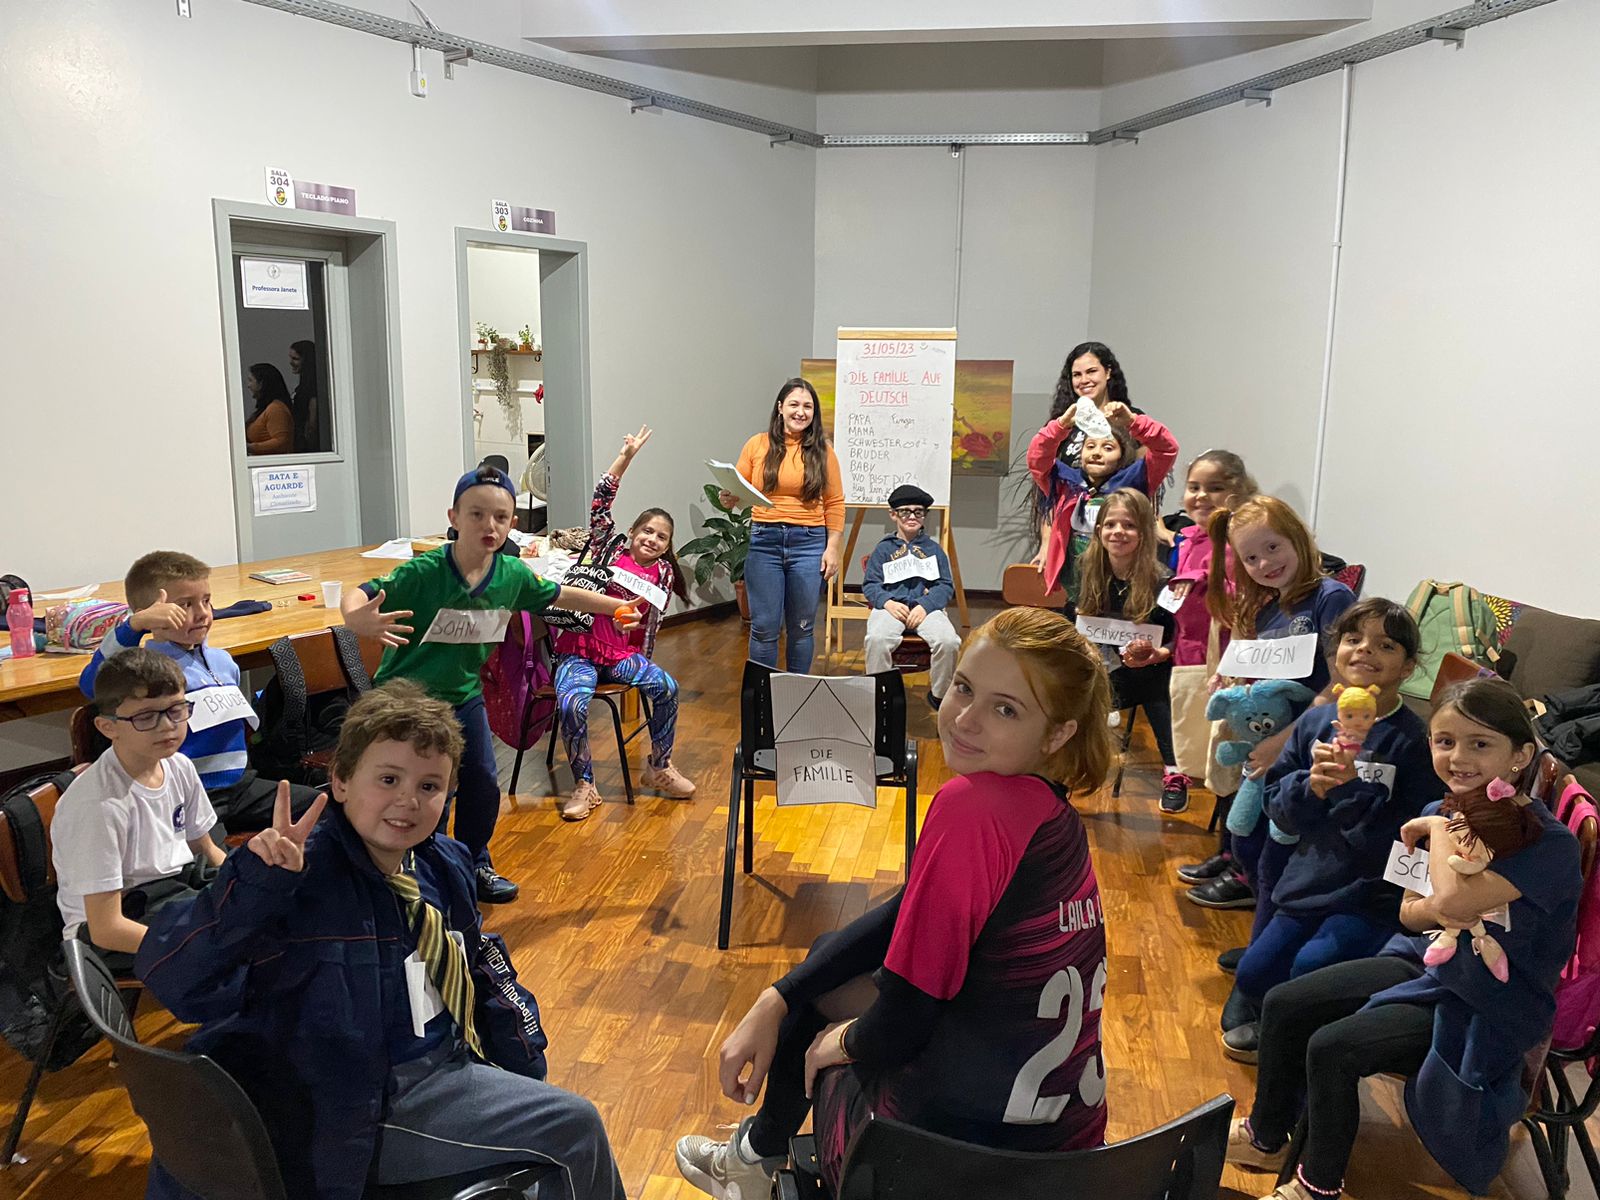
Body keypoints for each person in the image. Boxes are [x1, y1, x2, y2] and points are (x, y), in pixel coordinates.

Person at [675, 607, 1115, 1197]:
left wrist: (840, 1042)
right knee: (827, 960)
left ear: (1058, 733)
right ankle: (755, 1155)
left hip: (951, 1168)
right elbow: (904, 912)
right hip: (1065, 1156)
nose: (967, 718)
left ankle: (755, 1163)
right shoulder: (1053, 814)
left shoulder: (972, 807)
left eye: (1006, 709)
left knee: (824, 1027)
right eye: (964, 688)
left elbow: (905, 1018)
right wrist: (777, 995)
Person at [135, 681, 628, 1200]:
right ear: (341, 781)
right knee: (574, 1127)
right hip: (354, 1108)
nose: (407, 801)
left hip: (442, 1064)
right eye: (388, 779)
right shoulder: (295, 876)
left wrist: (526, 1062)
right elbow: (176, 981)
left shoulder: (442, 862)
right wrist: (255, 886)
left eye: (429, 786)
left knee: (553, 1135)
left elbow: (481, 971)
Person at [1226, 677, 1581, 1200]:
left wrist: (1438, 837)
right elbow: (1410, 914)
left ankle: (1316, 1186)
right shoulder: (1442, 810)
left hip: (1491, 999)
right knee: (1283, 1002)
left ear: (1520, 755)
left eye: (1480, 744)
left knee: (1332, 1047)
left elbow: (1451, 902)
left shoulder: (1546, 842)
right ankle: (1267, 1136)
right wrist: (1443, 879)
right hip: (1430, 963)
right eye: (1445, 741)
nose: (1458, 757)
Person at [342, 464, 641, 903]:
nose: (489, 525)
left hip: (464, 697)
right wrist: (355, 617)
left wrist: (614, 607)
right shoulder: (425, 571)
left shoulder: (511, 575)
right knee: (431, 787)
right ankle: (422, 869)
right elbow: (362, 592)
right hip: (407, 701)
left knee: (482, 781)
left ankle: (473, 863)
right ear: (454, 517)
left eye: (500, 517)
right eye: (477, 515)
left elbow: (558, 594)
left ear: (511, 524)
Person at [1223, 599, 1433, 1061]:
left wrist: (1354, 789)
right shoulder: (1316, 723)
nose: (1365, 650)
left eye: (1386, 645)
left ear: (1408, 667)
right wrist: (1311, 786)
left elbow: (1416, 835)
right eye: (1353, 639)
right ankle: (1281, 1024)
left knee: (1310, 967)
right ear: (1336, 653)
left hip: (1370, 895)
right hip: (1310, 880)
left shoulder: (1415, 741)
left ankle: (1298, 1047)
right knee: (1255, 973)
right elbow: (1278, 807)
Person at [1186, 496, 1356, 914]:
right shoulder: (1268, 607)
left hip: (1308, 738)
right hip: (1271, 735)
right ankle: (1244, 873)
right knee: (1247, 827)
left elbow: (1341, 682)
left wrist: (1282, 743)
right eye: (1251, 558)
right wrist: (1229, 678)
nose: (1264, 563)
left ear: (1297, 537)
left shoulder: (1330, 597)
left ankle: (1262, 897)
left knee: (1271, 837)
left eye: (1273, 547)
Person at [79, 550, 319, 832]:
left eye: (206, 601)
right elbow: (92, 683)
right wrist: (134, 626)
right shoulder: (147, 670)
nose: (202, 613)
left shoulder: (223, 661)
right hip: (189, 793)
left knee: (321, 807)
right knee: (213, 856)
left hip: (240, 785)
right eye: (185, 605)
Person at [552, 425, 695, 821]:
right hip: (580, 650)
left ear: (667, 546)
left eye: (662, 537)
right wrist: (626, 456)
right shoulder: (608, 548)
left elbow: (646, 623)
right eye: (647, 530)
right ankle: (585, 785)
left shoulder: (663, 574)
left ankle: (659, 766)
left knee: (667, 687)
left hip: (619, 655)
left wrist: (632, 623)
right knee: (572, 703)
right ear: (631, 532)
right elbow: (601, 500)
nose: (652, 539)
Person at [52, 650, 225, 972]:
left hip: (169, 889)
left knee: (264, 909)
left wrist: (244, 888)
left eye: (176, 710)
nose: (167, 727)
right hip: (113, 929)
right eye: (146, 717)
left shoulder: (179, 766)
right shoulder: (98, 806)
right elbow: (106, 929)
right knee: (236, 953)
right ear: (108, 727)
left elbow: (206, 848)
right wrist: (189, 947)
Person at [1072, 489, 1183, 811]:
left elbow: (1178, 637)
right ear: (1099, 530)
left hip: (1150, 668)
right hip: (1102, 668)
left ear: (1144, 533)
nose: (1118, 532)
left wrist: (1158, 654)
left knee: (1157, 686)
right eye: (1110, 524)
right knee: (1065, 688)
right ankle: (1063, 766)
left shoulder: (1163, 580)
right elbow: (1074, 622)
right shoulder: (1086, 568)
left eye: (1129, 525)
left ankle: (1174, 771)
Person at [1165, 450, 1256, 839]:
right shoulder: (1189, 538)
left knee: (1226, 750)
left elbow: (1248, 596)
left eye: (1214, 488)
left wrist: (1206, 583)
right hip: (1190, 656)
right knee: (1198, 746)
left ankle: (1230, 847)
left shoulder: (1239, 540)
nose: (1201, 496)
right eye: (1194, 487)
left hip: (1227, 661)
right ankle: (1223, 845)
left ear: (1238, 491)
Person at [729, 377, 844, 673]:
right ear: (780, 407)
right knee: (764, 627)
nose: (800, 412)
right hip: (764, 542)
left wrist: (832, 547)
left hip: (809, 543)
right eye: (794, 404)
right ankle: (763, 694)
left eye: (808, 406)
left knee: (802, 627)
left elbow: (834, 502)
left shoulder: (823, 451)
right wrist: (728, 496)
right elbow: (737, 490)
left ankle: (796, 693)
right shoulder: (757, 444)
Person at [1025, 391, 1177, 614]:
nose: (1097, 453)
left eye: (1108, 447)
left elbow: (1166, 449)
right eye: (1090, 446)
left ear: (1121, 456)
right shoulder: (1065, 483)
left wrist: (1133, 422)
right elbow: (1037, 458)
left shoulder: (1135, 480)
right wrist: (1061, 425)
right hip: (1077, 583)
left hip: (1123, 580)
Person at [861, 483, 960, 710]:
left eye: (918, 512)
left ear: (924, 516)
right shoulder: (883, 550)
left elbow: (945, 585)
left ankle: (939, 696)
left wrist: (925, 606)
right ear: (893, 514)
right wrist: (887, 603)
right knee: (877, 639)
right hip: (890, 608)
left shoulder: (934, 550)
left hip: (926, 609)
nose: (912, 517)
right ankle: (879, 693)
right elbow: (871, 585)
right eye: (905, 512)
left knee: (949, 641)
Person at [244, 362, 295, 456]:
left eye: (251, 380)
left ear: (261, 384)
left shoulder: (276, 409)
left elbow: (282, 442)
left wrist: (249, 448)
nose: (248, 385)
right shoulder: (266, 408)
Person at [288, 339, 319, 453]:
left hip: (307, 446)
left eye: (295, 359)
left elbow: (312, 422)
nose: (290, 362)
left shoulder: (312, 386)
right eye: (291, 358)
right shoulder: (303, 385)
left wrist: (308, 444)